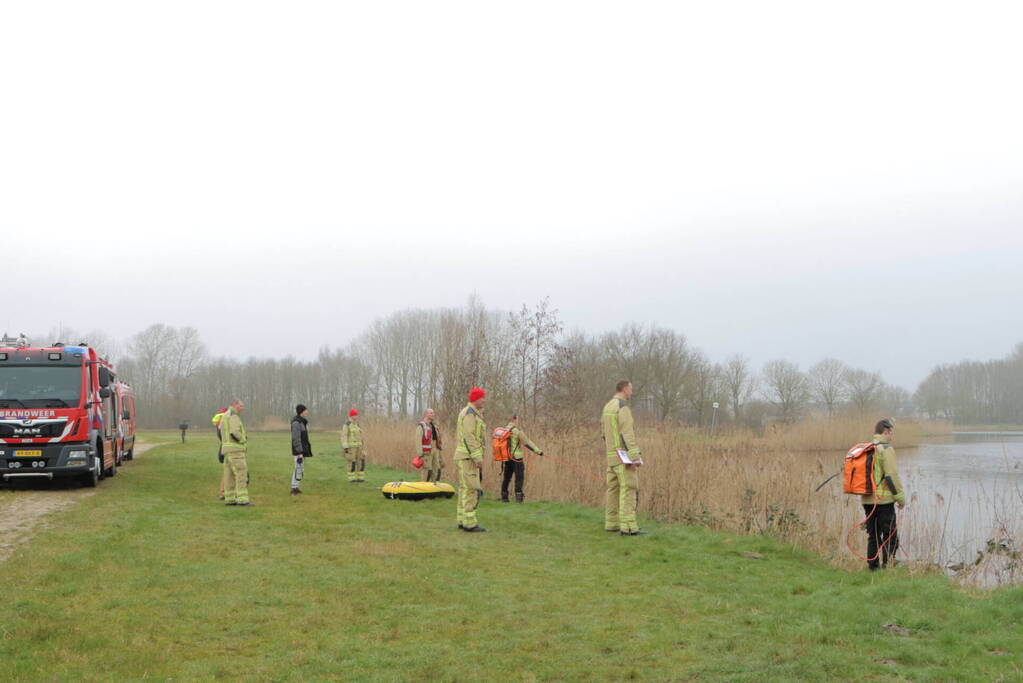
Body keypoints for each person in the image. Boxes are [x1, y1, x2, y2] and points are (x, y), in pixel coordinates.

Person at [862, 418, 906, 570]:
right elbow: (891, 475)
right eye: (890, 433)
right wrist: (900, 498)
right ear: (886, 432)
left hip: (867, 500)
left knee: (873, 535)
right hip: (884, 501)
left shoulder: (867, 448)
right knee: (890, 535)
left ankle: (873, 568)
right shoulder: (886, 449)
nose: (891, 437)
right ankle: (889, 566)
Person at [602, 380, 644, 536]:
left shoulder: (607, 407)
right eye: (631, 389)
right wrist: (635, 457)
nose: (632, 392)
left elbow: (603, 434)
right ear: (625, 389)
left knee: (612, 490)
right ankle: (629, 527)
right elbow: (627, 434)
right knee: (629, 489)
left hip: (611, 458)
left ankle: (611, 523)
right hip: (623, 459)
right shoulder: (623, 407)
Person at [455, 387, 487, 532]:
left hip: (464, 456)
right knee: (472, 489)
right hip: (468, 457)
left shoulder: (470, 413)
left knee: (464, 488)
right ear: (476, 398)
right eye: (482, 398)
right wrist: (477, 457)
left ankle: (462, 520)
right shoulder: (470, 414)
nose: (484, 400)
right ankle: (470, 523)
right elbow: (470, 436)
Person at [500, 414, 543, 503]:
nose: (518, 421)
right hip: (517, 458)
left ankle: (504, 497)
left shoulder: (504, 429)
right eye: (518, 419)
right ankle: (519, 499)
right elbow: (527, 442)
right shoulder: (516, 431)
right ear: (514, 419)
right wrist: (538, 451)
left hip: (507, 457)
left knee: (507, 477)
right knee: (519, 477)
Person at [221, 399, 253, 506]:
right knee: (241, 474)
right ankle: (243, 500)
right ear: (234, 404)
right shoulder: (233, 415)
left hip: (227, 450)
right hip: (235, 451)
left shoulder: (225, 416)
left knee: (229, 476)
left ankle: (229, 499)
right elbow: (234, 432)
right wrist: (243, 439)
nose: (242, 408)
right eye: (241, 405)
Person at [290, 404, 313, 495]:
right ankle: (293, 488)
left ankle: (296, 487)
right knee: (298, 469)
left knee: (300, 469)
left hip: (302, 451)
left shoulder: (302, 422)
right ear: (302, 411)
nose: (307, 411)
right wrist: (299, 452)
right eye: (306, 410)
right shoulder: (296, 423)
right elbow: (296, 438)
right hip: (298, 451)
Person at [418, 408, 443, 482]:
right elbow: (418, 441)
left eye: (433, 413)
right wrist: (420, 455)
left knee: (436, 469)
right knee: (426, 470)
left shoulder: (434, 426)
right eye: (431, 413)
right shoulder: (421, 426)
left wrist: (440, 453)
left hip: (435, 450)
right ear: (426, 414)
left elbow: (438, 440)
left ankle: (434, 486)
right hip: (426, 453)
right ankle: (424, 487)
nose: (433, 414)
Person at [342, 408, 365, 482]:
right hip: (351, 447)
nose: (356, 416)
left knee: (360, 462)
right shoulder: (347, 424)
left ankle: (360, 478)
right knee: (351, 462)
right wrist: (345, 446)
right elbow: (344, 435)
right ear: (351, 416)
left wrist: (363, 445)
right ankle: (351, 478)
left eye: (357, 415)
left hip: (359, 446)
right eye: (355, 415)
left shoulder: (357, 424)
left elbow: (360, 436)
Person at [212, 408, 228, 500]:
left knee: (227, 472)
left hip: (223, 450)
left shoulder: (219, 425)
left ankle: (223, 492)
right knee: (228, 472)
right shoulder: (223, 425)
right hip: (226, 450)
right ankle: (224, 492)